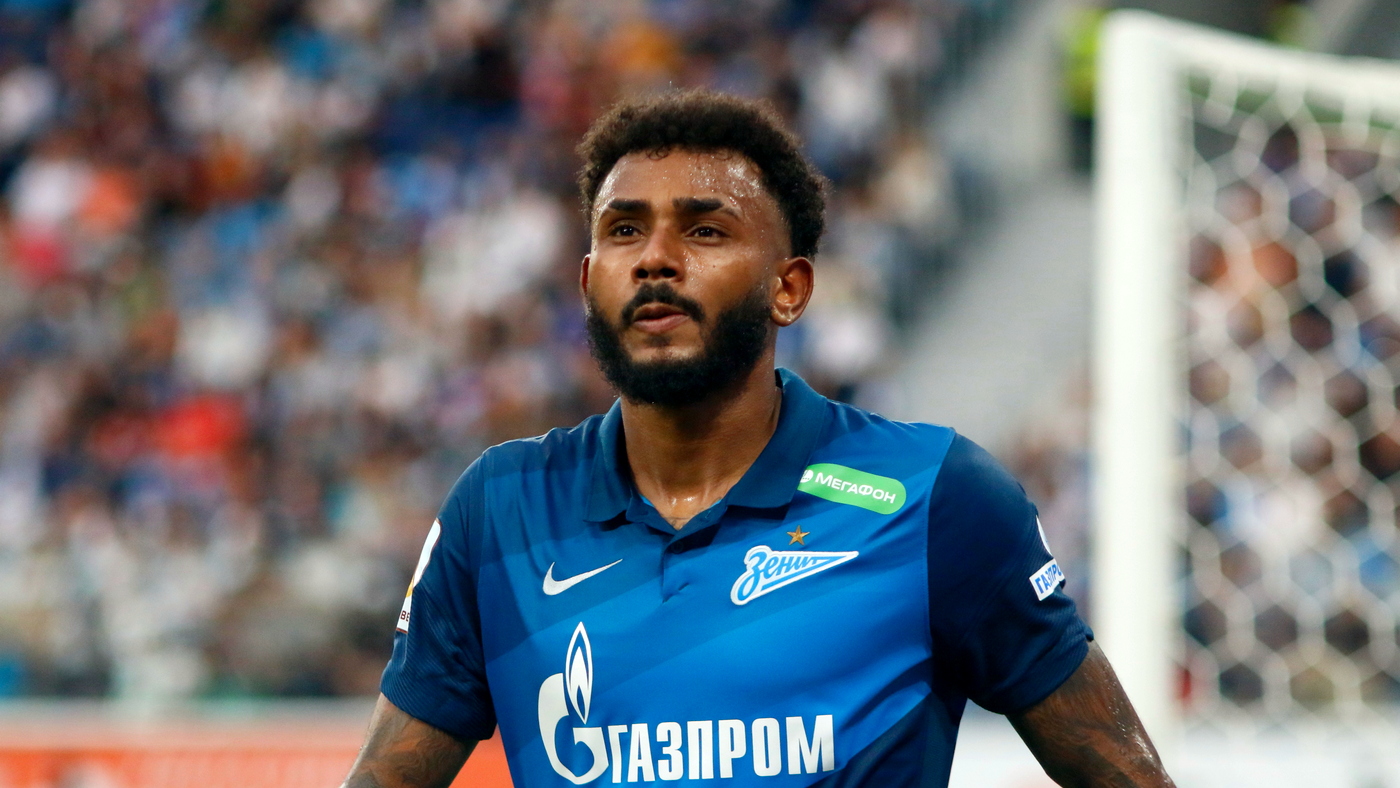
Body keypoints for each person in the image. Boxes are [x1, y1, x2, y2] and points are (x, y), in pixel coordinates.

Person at [341, 89, 1175, 788]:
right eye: (624, 230)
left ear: (790, 288)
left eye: (704, 231)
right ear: (588, 279)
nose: (654, 259)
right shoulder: (501, 509)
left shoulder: (932, 495)